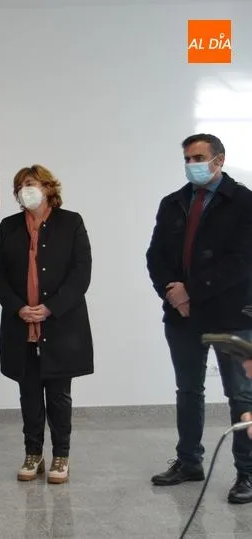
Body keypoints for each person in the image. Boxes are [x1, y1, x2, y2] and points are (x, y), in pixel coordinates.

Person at [146, 133, 252, 504]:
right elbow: (155, 256)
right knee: (189, 390)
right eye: (187, 157)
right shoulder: (173, 203)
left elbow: (242, 261)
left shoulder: (244, 202)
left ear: (219, 160)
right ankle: (189, 461)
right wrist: (171, 293)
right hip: (182, 316)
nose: (192, 163)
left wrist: (192, 291)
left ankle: (248, 474)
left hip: (232, 314)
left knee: (242, 394)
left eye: (199, 157)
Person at [0, 165, 93, 484]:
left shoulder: (71, 222)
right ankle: (33, 453)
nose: (24, 190)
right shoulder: (9, 226)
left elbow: (81, 273)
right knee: (29, 394)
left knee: (59, 396)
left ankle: (61, 455)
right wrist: (20, 308)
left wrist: (49, 308)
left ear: (47, 187)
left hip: (61, 325)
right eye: (19, 186)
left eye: (30, 184)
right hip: (21, 326)